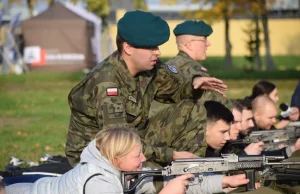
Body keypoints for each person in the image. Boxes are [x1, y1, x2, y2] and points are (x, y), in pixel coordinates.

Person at [65, 10, 228, 166]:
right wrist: (172, 155)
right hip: (98, 154)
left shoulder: (150, 68)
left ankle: (191, 174)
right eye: (150, 47)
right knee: (153, 179)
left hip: (134, 140)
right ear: (128, 48)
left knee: (192, 109)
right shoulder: (106, 83)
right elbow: (119, 142)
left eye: (156, 46)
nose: (157, 52)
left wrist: (194, 84)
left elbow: (175, 91)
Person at [5, 128, 195, 194]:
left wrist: (221, 181)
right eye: (137, 155)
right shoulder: (98, 182)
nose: (144, 158)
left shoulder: (122, 172)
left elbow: (168, 184)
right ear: (116, 159)